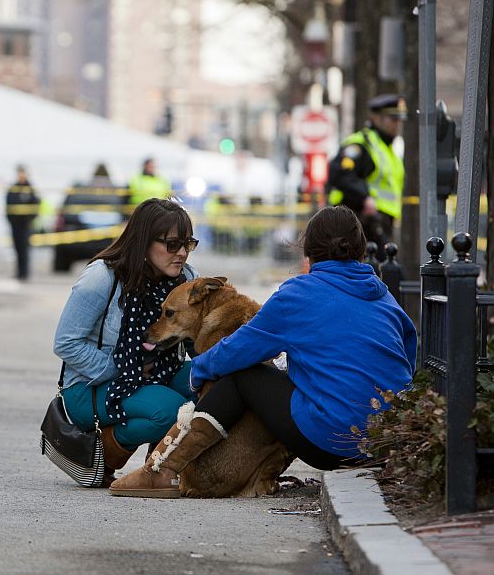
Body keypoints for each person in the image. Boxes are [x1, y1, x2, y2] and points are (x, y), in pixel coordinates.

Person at [109, 205, 417, 498]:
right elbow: (408, 357)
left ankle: (162, 469)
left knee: (243, 373)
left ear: (307, 253)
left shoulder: (297, 295)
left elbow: (239, 350)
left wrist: (199, 370)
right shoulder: (386, 299)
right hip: (384, 444)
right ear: (362, 250)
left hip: (332, 444)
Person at [53, 198, 200, 486]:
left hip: (157, 374)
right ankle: (106, 453)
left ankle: (159, 464)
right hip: (91, 385)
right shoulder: (103, 277)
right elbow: (65, 343)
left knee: (209, 387)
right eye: (172, 245)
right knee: (172, 410)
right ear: (144, 242)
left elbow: (197, 342)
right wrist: (122, 368)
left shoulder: (186, 280)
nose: (182, 253)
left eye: (188, 244)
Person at [326, 94, 408, 260]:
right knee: (386, 271)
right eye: (393, 119)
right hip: (361, 221)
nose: (397, 124)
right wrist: (364, 198)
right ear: (376, 118)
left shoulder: (389, 149)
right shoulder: (360, 145)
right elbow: (340, 174)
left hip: (382, 222)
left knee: (386, 271)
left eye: (399, 119)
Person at [5, 164, 41, 280]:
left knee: (25, 249)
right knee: (17, 248)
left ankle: (25, 273)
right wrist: (11, 221)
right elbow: (8, 206)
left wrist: (30, 219)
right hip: (15, 224)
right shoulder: (14, 188)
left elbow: (36, 205)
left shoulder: (30, 188)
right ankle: (19, 272)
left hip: (26, 224)